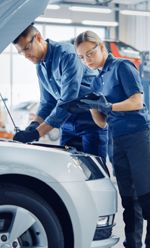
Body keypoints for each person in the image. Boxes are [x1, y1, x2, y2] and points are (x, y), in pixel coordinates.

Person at [74, 30, 150, 248]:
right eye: (81, 57)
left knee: (148, 195)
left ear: (102, 47)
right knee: (128, 198)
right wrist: (90, 106)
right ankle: (132, 243)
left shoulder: (122, 66)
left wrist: (108, 105)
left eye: (90, 54)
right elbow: (102, 122)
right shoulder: (96, 83)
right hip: (117, 140)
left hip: (140, 136)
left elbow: (136, 102)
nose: (87, 60)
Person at [12, 24, 108, 162]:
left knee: (95, 171)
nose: (26, 55)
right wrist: (33, 125)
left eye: (27, 48)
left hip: (90, 121)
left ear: (38, 37)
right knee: (68, 169)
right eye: (21, 53)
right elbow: (47, 102)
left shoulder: (67, 55)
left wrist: (36, 134)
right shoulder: (40, 66)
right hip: (67, 123)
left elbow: (67, 100)